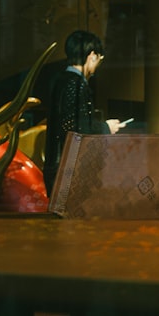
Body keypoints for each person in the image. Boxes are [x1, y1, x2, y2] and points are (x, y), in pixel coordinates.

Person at [43, 30, 123, 195]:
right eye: (99, 60)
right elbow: (78, 127)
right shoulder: (77, 83)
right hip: (70, 168)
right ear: (92, 55)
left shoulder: (58, 80)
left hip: (54, 165)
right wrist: (106, 128)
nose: (96, 68)